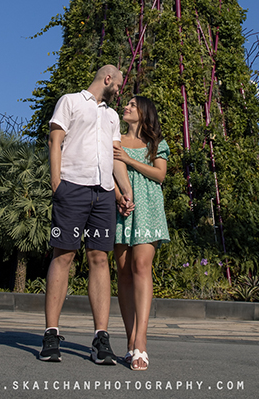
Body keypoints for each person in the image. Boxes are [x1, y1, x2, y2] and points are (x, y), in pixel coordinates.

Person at [39, 65, 133, 365]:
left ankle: (100, 337)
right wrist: (57, 183)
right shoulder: (70, 101)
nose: (119, 90)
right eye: (118, 85)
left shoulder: (112, 116)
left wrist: (121, 193)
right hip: (72, 187)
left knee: (99, 258)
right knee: (63, 255)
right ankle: (51, 333)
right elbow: (55, 141)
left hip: (103, 193)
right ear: (108, 79)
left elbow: (114, 157)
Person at [113, 95, 170, 371]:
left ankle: (142, 341)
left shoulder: (156, 144)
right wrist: (117, 197)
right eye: (127, 104)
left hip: (148, 207)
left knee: (141, 267)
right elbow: (108, 171)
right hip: (122, 207)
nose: (127, 107)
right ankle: (129, 341)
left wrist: (129, 159)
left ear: (144, 112)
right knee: (123, 271)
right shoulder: (115, 139)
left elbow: (160, 175)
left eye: (133, 105)